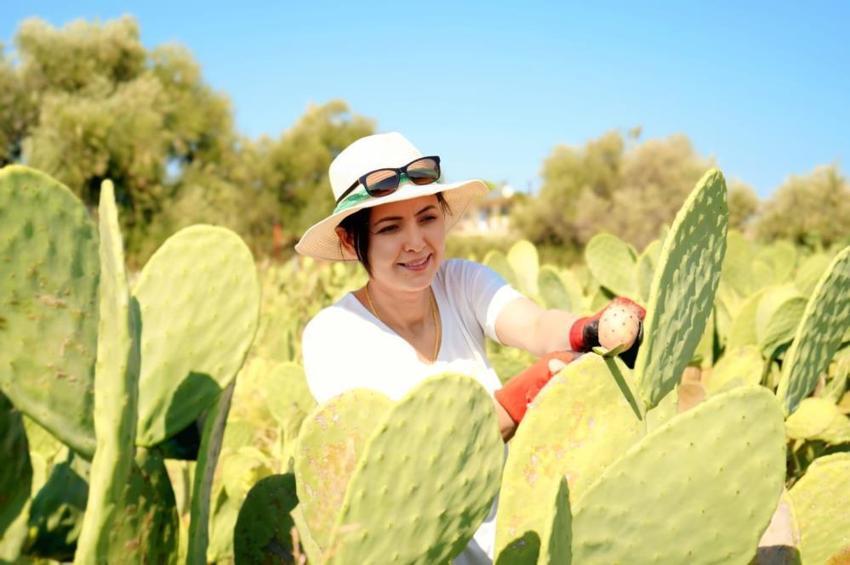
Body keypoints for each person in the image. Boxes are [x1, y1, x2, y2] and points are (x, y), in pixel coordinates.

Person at [295, 132, 644, 564]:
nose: (417, 243)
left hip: (518, 541)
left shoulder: (460, 282)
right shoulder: (334, 336)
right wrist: (522, 398)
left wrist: (588, 330)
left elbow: (534, 325)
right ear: (351, 242)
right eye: (389, 227)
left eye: (427, 218)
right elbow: (412, 460)